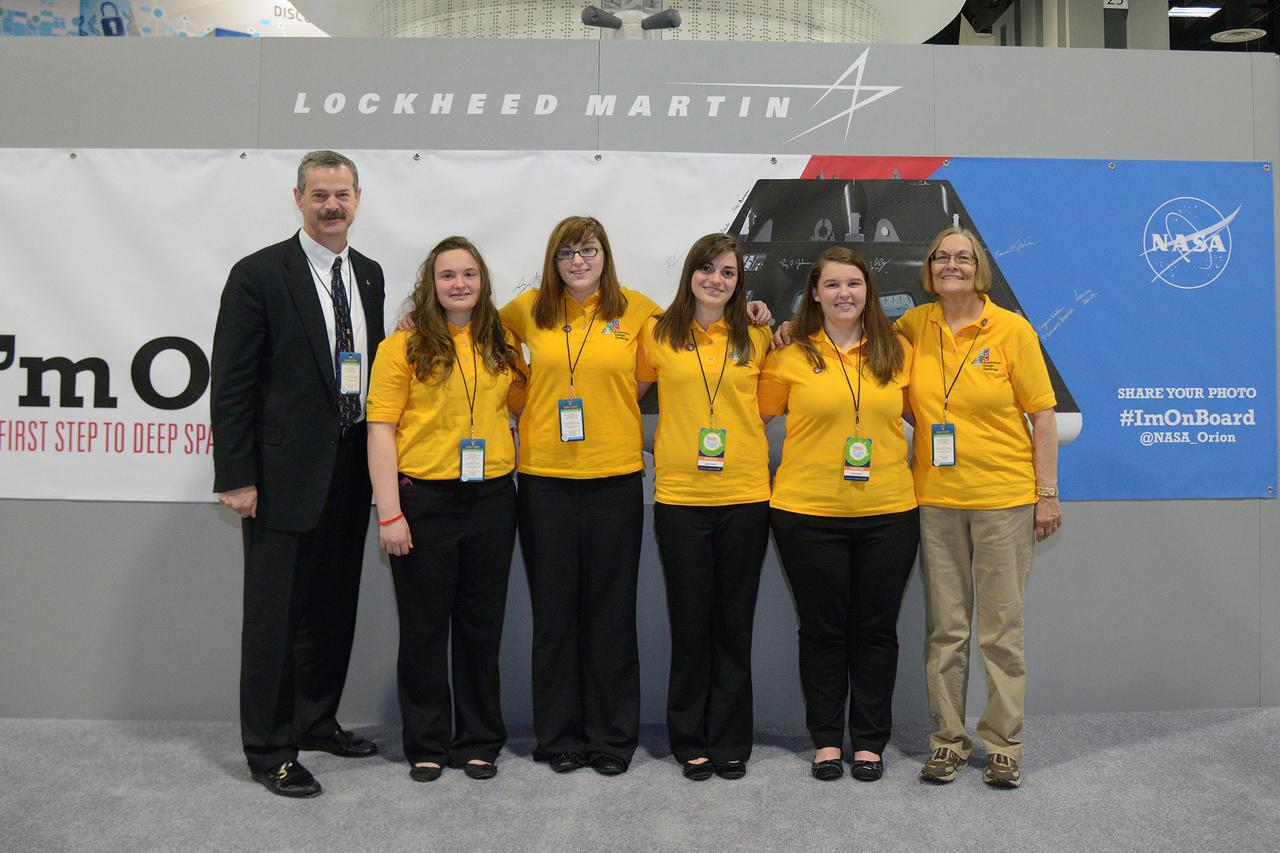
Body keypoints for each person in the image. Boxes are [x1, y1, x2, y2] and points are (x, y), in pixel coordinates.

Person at [211, 150, 383, 798]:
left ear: (358, 199)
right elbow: (230, 385)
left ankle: (316, 718)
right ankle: (270, 748)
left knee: (332, 607)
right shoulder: (258, 274)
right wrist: (238, 474)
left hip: (350, 469)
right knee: (274, 619)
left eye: (342, 194)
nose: (332, 205)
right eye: (320, 195)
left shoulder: (367, 274)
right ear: (299, 198)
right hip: (280, 475)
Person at [499, 215, 660, 776]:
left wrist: (765, 319)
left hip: (615, 479)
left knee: (610, 614)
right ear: (553, 260)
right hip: (543, 480)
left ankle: (612, 739)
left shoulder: (636, 309)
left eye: (588, 250)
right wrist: (528, 397)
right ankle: (560, 737)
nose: (578, 261)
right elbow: (478, 344)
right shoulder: (526, 310)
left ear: (605, 256)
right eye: (567, 253)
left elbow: (679, 353)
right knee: (555, 615)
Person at [902, 227, 1062, 789]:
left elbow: (1043, 415)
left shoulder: (1012, 330)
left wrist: (1046, 494)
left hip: (1004, 500)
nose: (952, 265)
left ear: (979, 268)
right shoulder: (910, 327)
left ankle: (1003, 745)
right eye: (941, 256)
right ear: (928, 268)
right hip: (936, 501)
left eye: (963, 257)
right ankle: (947, 742)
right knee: (945, 629)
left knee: (1000, 630)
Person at [366, 236, 525, 783]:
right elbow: (381, 429)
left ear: (483, 283)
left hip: (492, 501)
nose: (459, 284)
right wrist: (389, 512)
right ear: (430, 285)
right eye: (448, 275)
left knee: (482, 628)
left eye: (469, 275)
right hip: (424, 500)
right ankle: (428, 742)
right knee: (425, 630)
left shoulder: (504, 341)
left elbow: (523, 405)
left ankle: (479, 739)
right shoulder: (402, 347)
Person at [758, 246, 919, 783]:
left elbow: (935, 409)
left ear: (868, 291)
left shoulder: (898, 351)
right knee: (823, 631)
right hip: (807, 513)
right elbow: (750, 411)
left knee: (876, 630)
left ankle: (870, 741)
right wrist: (766, 329)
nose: (844, 293)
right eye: (832, 285)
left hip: (889, 511)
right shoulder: (789, 353)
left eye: (854, 283)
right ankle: (827, 740)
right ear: (814, 293)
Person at [635, 233, 773, 782]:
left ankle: (731, 738)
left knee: (733, 626)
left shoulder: (759, 336)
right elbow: (626, 393)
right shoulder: (656, 334)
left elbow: (767, 405)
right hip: (681, 499)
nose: (716, 280)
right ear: (689, 273)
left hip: (745, 496)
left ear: (740, 284)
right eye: (707, 269)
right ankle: (689, 738)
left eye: (729, 273)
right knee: (690, 625)